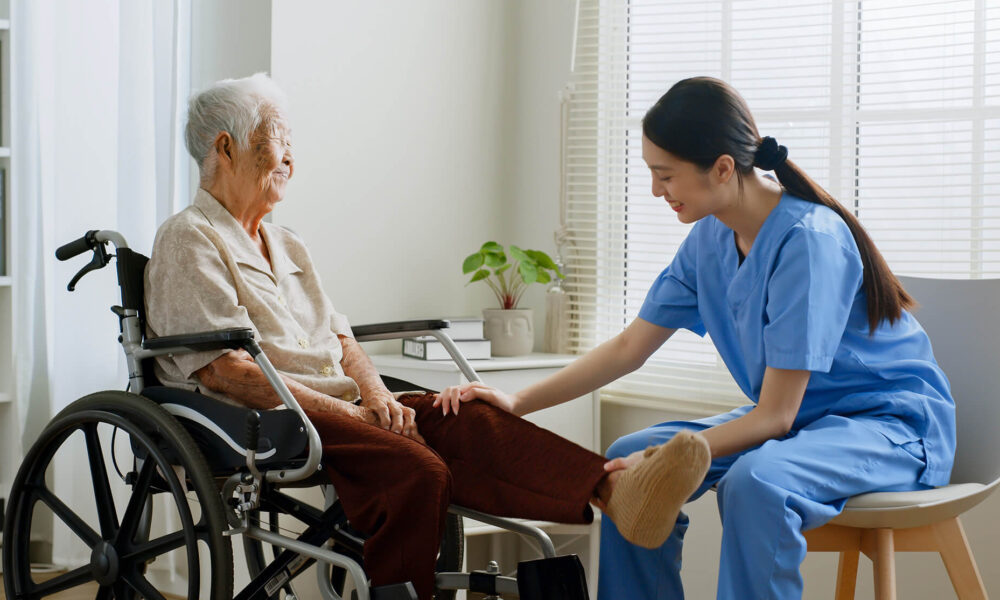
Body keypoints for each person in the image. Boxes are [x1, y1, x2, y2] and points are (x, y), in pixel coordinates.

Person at [143, 73, 710, 600]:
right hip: (258, 414)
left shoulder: (287, 243)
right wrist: (351, 415)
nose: (292, 154)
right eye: (278, 138)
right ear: (225, 148)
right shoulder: (188, 241)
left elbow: (342, 340)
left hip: (330, 402)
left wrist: (378, 397)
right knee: (419, 467)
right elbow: (226, 371)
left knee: (463, 417)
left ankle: (614, 492)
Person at [435, 76, 956, 599]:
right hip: (804, 421)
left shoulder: (809, 243)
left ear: (723, 168)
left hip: (889, 427)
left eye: (666, 175)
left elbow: (774, 416)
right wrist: (516, 401)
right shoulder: (709, 239)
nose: (656, 191)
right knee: (625, 459)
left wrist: (670, 461)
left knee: (756, 483)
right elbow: (628, 348)